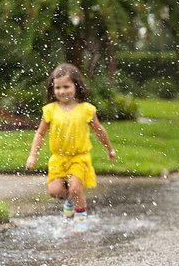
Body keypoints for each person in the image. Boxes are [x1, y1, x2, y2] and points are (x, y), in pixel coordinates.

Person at [26, 63, 116, 232]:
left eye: (66, 86)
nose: (62, 91)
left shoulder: (86, 110)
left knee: (75, 188)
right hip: (58, 158)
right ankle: (69, 200)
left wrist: (109, 148)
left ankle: (80, 217)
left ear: (76, 86)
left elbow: (99, 130)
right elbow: (40, 134)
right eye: (57, 87)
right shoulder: (50, 110)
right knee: (55, 191)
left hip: (79, 157)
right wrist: (33, 155)